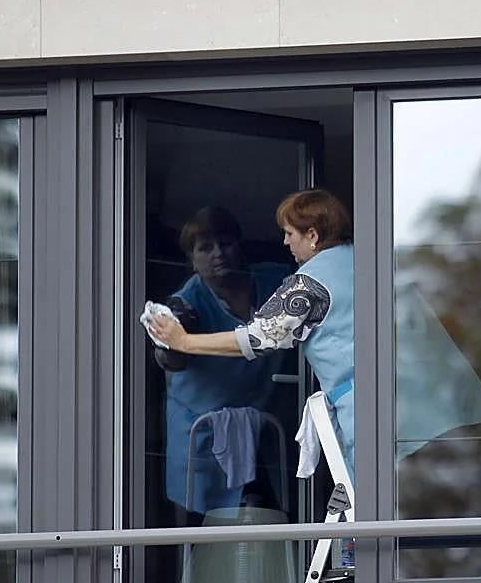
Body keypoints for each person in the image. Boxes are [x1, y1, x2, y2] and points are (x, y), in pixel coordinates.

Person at [149, 189, 356, 476]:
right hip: (418, 400)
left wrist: (182, 340)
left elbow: (258, 338)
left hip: (364, 411)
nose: (284, 241)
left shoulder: (310, 282)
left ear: (312, 235)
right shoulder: (371, 261)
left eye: (289, 233)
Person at [151, 206, 291, 519]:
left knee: (270, 517)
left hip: (266, 424)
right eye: (205, 248)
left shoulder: (276, 282)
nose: (218, 254)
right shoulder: (187, 302)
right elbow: (169, 356)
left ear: (240, 246)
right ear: (191, 258)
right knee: (202, 526)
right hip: (200, 431)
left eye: (226, 243)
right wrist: (168, 341)